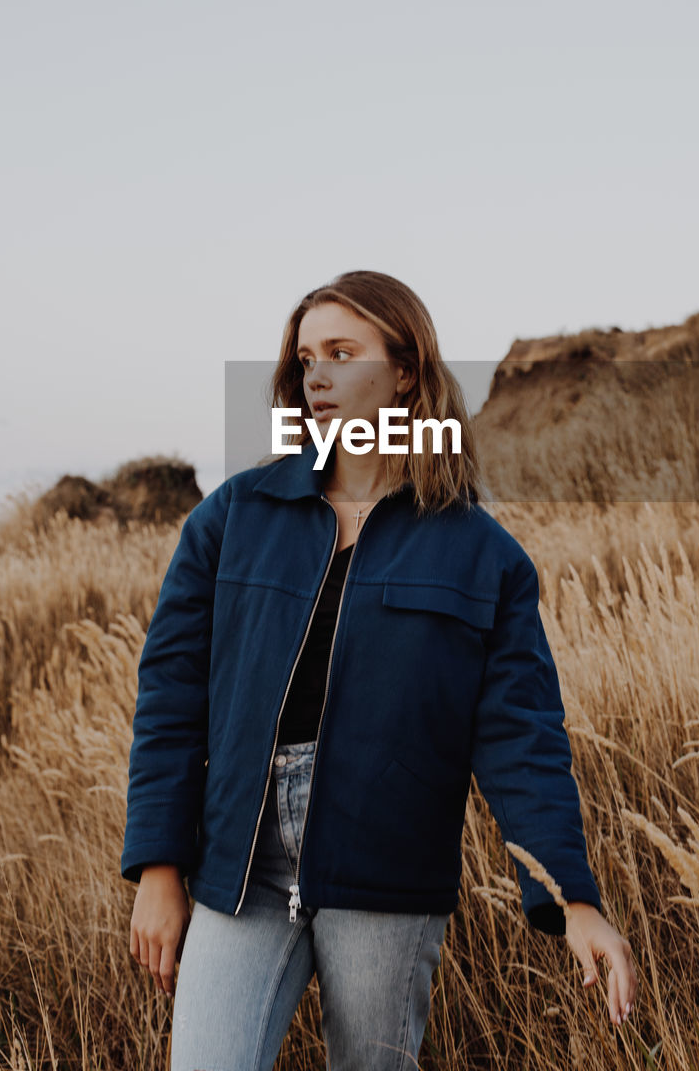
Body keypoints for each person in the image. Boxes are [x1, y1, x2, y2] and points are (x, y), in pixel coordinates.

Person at [123, 270, 637, 1070]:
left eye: (341, 352)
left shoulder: (481, 555)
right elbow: (170, 698)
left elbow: (520, 739)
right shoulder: (232, 517)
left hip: (386, 871)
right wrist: (159, 868)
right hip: (241, 865)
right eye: (304, 358)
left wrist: (572, 898)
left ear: (404, 371)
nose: (316, 374)